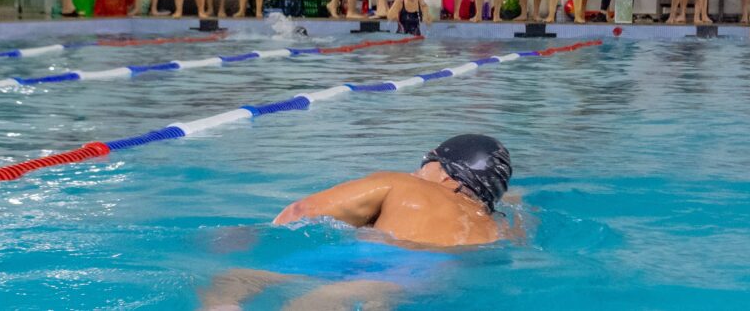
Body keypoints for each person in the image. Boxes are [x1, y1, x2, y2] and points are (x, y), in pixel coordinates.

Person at [200, 135, 515, 311]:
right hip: (430, 279)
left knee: (235, 279)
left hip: (381, 258)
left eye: (427, 163)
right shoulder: (495, 226)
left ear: (446, 174)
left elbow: (301, 210)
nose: (418, 171)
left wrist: (256, 234)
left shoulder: (404, 184)